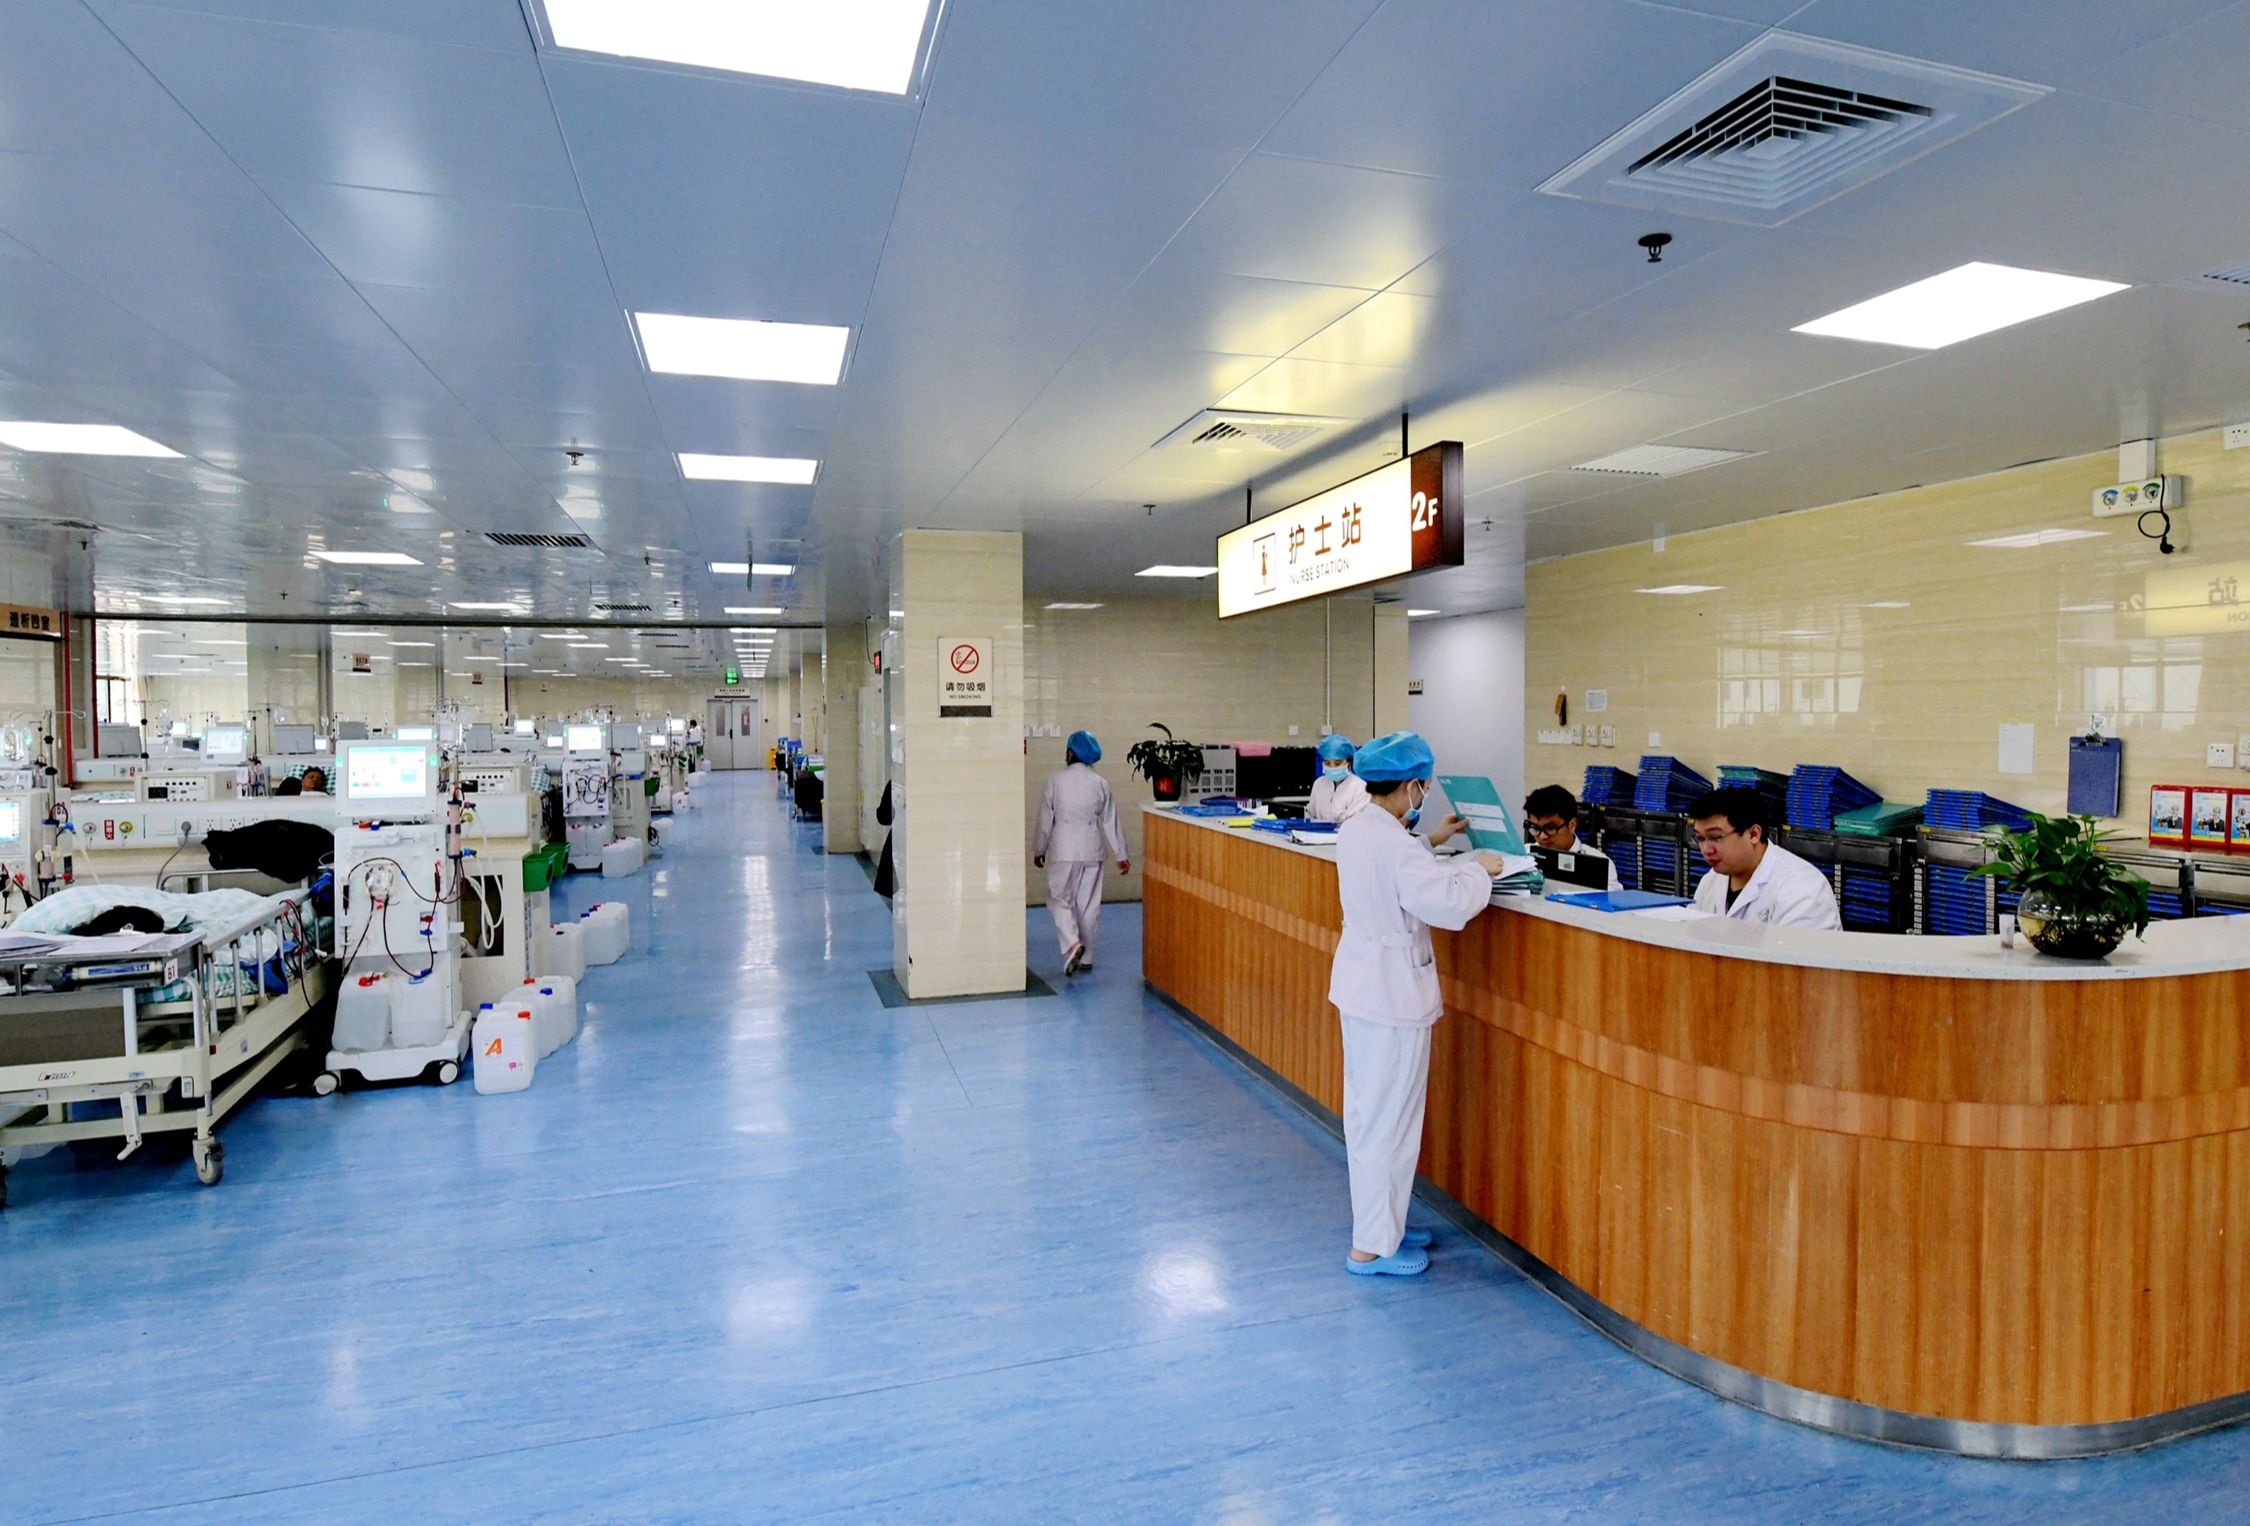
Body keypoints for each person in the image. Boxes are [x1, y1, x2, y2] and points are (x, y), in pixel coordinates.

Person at [1329, 731, 1506, 1278]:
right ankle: (1371, 1248)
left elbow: (1396, 870)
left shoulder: (1359, 829)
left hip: (1364, 988)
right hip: (1391, 997)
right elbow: (1446, 904)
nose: (1424, 793)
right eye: (1424, 785)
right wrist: (1480, 869)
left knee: (1372, 1117)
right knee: (1389, 1124)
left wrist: (1432, 841)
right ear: (1411, 786)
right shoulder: (1395, 845)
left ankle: (1385, 1227)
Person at [1033, 730, 1128, 976]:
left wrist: (1039, 849)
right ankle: (1087, 958)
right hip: (1092, 850)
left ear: (1070, 753)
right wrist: (1122, 855)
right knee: (1089, 905)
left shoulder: (1055, 781)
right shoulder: (1100, 783)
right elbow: (1111, 821)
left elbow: (1045, 821)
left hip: (1063, 850)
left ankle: (1073, 943)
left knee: (1058, 899)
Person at [1686, 787, 1839, 929]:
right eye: (1700, 838)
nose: (1706, 850)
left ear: (1754, 834)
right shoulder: (1710, 881)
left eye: (1715, 837)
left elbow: (1793, 949)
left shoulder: (1803, 888)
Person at [1522, 784, 1619, 891]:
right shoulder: (1523, 856)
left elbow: (1613, 898)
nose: (1542, 836)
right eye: (1535, 828)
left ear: (1572, 825)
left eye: (1550, 828)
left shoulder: (1600, 866)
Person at [1306, 734, 1368, 823]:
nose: (1332, 768)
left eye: (1337, 763)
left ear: (1349, 761)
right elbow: (1311, 816)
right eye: (1327, 763)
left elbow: (1355, 823)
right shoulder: (1319, 784)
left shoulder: (1360, 787)